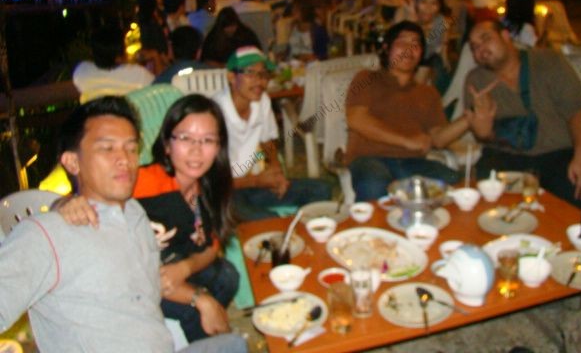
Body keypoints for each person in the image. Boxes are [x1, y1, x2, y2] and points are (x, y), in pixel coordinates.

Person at [0, 96, 246, 353]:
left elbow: (210, 242)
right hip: (160, 279)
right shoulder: (46, 236)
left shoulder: (134, 214)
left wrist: (193, 286)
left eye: (131, 148)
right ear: (167, 144)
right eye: (107, 148)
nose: (124, 159)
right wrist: (62, 203)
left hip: (160, 288)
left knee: (235, 333)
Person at [345, 21, 493, 201]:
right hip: (369, 158)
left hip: (412, 162)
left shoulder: (428, 93)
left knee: (454, 183)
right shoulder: (367, 78)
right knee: (374, 185)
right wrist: (407, 141)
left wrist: (469, 118)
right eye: (402, 42)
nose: (409, 49)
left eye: (416, 44)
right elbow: (356, 119)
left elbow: (437, 139)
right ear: (386, 48)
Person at [464, 20, 581, 211]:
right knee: (485, 197)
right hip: (508, 155)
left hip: (559, 151)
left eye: (486, 39)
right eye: (474, 47)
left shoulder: (548, 61)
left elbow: (577, 110)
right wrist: (483, 133)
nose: (480, 49)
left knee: (576, 201)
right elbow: (486, 135)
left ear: (505, 36)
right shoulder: (476, 81)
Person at [213, 46, 332, 220]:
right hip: (225, 193)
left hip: (255, 183)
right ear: (231, 77)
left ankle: (293, 225)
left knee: (322, 190)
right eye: (250, 73)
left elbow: (267, 141)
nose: (259, 81)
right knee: (268, 219)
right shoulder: (214, 113)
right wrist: (257, 181)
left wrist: (276, 172)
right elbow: (212, 181)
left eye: (263, 74)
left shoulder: (262, 101)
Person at [72, 25, 154, 104]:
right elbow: (157, 89)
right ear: (118, 58)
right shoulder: (139, 74)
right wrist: (155, 56)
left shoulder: (82, 72)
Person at [394, 0, 452, 91]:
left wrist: (445, 59)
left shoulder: (441, 23)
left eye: (434, 3)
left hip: (428, 62)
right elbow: (399, 48)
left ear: (440, 5)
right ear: (415, 1)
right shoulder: (402, 14)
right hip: (403, 60)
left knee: (438, 66)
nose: (428, 8)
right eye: (423, 2)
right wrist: (412, 21)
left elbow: (443, 45)